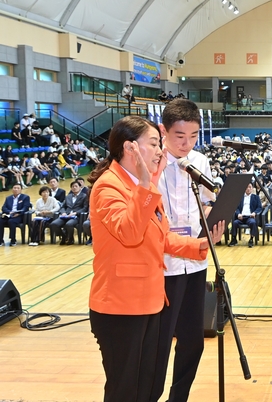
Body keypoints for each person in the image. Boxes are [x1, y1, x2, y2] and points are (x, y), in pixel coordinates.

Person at [88, 116, 223, 402]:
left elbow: (161, 238)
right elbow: (129, 232)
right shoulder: (109, 187)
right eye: (153, 144)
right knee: (125, 390)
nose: (161, 151)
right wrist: (149, 184)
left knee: (150, 388)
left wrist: (202, 245)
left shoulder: (141, 186)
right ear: (130, 148)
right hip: (120, 307)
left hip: (149, 302)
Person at [150, 99, 218, 402]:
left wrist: (215, 219)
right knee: (161, 341)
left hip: (197, 261)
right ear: (164, 131)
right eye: (180, 137)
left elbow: (207, 201)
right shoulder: (150, 163)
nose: (186, 144)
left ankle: (178, 397)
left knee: (193, 340)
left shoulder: (199, 161)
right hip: (164, 265)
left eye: (193, 136)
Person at [50, 180, 89, 245]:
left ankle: (71, 239)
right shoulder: (68, 196)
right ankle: (64, 236)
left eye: (76, 186)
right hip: (66, 215)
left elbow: (85, 208)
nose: (74, 188)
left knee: (69, 224)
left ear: (80, 187)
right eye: (73, 186)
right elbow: (62, 207)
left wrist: (75, 213)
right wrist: (63, 212)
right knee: (54, 224)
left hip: (76, 217)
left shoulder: (84, 196)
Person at [230, 181, 262, 247]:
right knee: (235, 223)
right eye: (246, 187)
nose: (248, 189)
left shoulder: (256, 197)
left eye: (250, 187)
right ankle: (234, 239)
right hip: (241, 217)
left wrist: (254, 213)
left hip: (250, 216)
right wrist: (238, 214)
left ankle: (251, 239)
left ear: (252, 188)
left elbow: (259, 207)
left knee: (253, 222)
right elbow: (236, 207)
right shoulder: (240, 197)